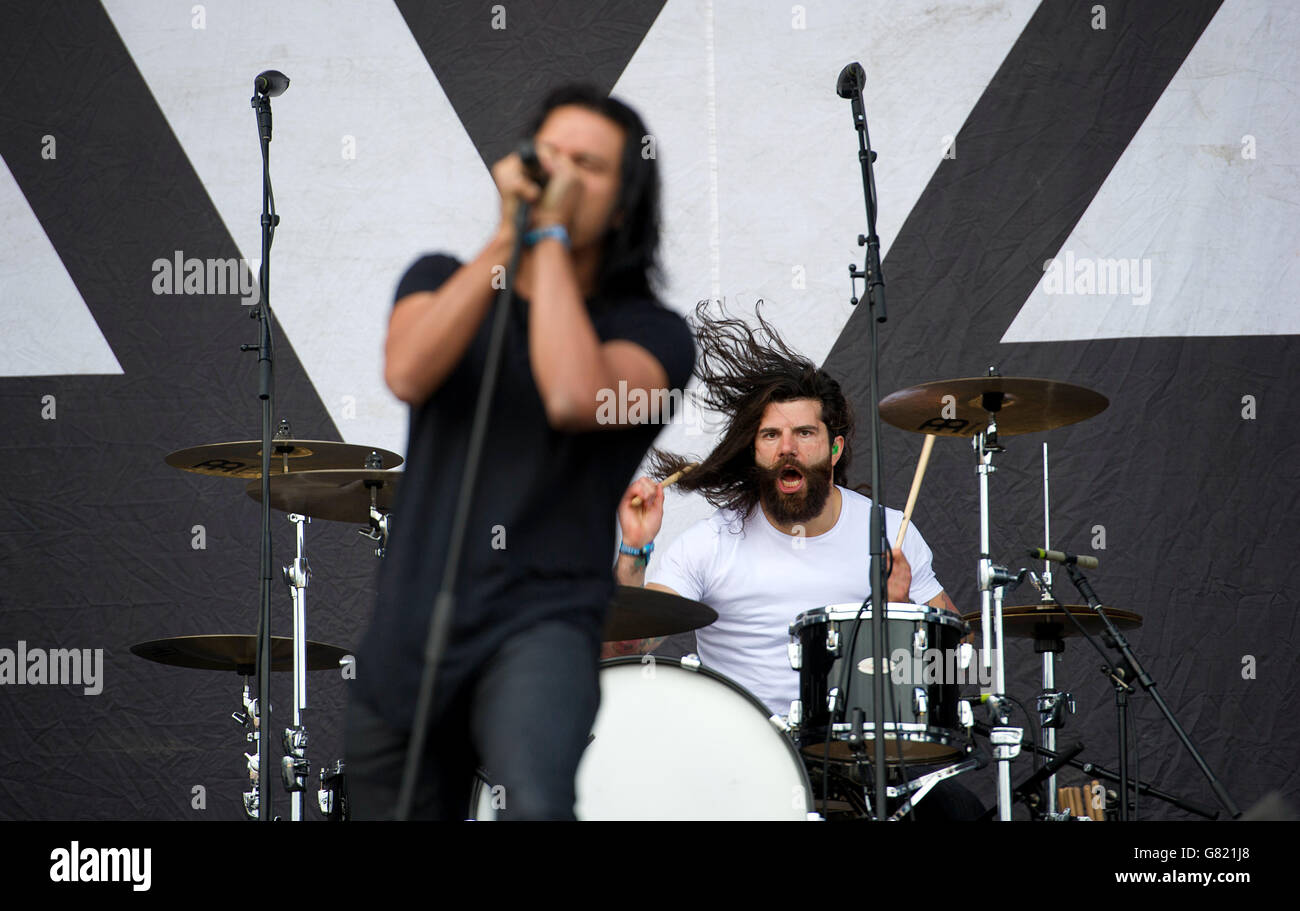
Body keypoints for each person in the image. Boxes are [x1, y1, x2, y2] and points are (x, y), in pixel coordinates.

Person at [346, 85, 695, 820]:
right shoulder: (442, 277)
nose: (559, 173)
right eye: (549, 155)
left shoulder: (653, 333)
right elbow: (406, 370)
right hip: (416, 616)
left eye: (588, 166)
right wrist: (511, 238)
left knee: (535, 803)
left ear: (626, 204)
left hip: (542, 624)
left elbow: (575, 394)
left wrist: (549, 242)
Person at [611, 305, 983, 819]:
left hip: (860, 757)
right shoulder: (711, 542)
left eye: (804, 434)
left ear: (833, 449)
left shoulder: (888, 532)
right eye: (771, 436)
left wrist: (902, 617)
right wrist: (634, 549)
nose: (787, 449)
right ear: (755, 452)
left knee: (958, 812)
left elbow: (961, 656)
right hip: (741, 757)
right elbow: (625, 643)